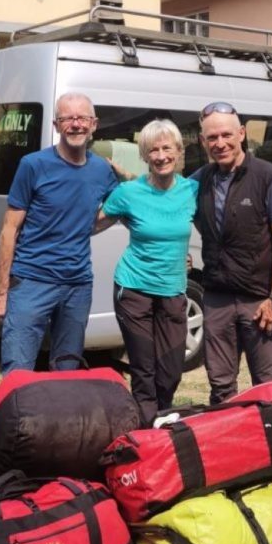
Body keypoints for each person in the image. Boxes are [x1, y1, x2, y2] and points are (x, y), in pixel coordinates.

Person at [0, 92, 118, 374]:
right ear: (56, 125)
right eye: (67, 118)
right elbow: (9, 229)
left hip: (77, 284)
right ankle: (16, 418)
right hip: (31, 281)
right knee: (18, 369)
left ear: (94, 124)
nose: (76, 125)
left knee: (67, 367)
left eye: (82, 118)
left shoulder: (101, 169)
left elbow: (119, 206)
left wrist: (95, 224)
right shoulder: (33, 165)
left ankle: (60, 418)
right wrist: (2, 292)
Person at [193, 101, 272, 404]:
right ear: (203, 141)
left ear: (241, 134)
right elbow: (168, 209)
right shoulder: (199, 180)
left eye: (226, 135)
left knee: (266, 387)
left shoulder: (267, 177)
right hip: (217, 299)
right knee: (221, 387)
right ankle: (230, 447)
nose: (220, 143)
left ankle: (270, 447)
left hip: (259, 300)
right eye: (212, 138)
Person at [98, 119, 198, 423]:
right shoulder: (129, 193)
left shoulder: (193, 189)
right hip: (134, 289)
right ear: (145, 155)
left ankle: (159, 418)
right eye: (152, 150)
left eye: (167, 148)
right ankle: (146, 435)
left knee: (170, 370)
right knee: (144, 369)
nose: (161, 155)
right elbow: (93, 223)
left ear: (179, 151)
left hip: (173, 290)